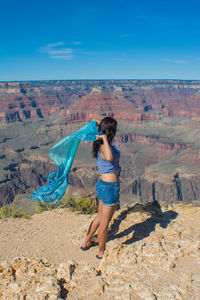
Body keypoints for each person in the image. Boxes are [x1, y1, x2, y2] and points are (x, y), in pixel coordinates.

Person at [81, 117, 121, 259]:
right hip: (110, 188)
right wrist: (104, 138)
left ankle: (86, 242)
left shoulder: (99, 144)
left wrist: (99, 126)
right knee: (105, 222)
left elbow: (95, 119)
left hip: (102, 185)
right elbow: (110, 158)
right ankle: (101, 251)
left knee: (99, 216)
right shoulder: (104, 145)